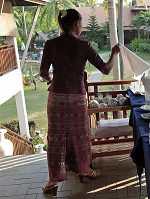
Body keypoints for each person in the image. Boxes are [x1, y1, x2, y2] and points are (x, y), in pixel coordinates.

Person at [39, 9, 120, 196]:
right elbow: (106, 69)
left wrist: (52, 78)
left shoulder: (50, 44)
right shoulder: (84, 46)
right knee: (79, 136)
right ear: (77, 24)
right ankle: (84, 169)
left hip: (56, 99)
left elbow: (43, 73)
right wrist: (114, 53)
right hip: (76, 99)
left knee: (56, 137)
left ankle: (53, 180)